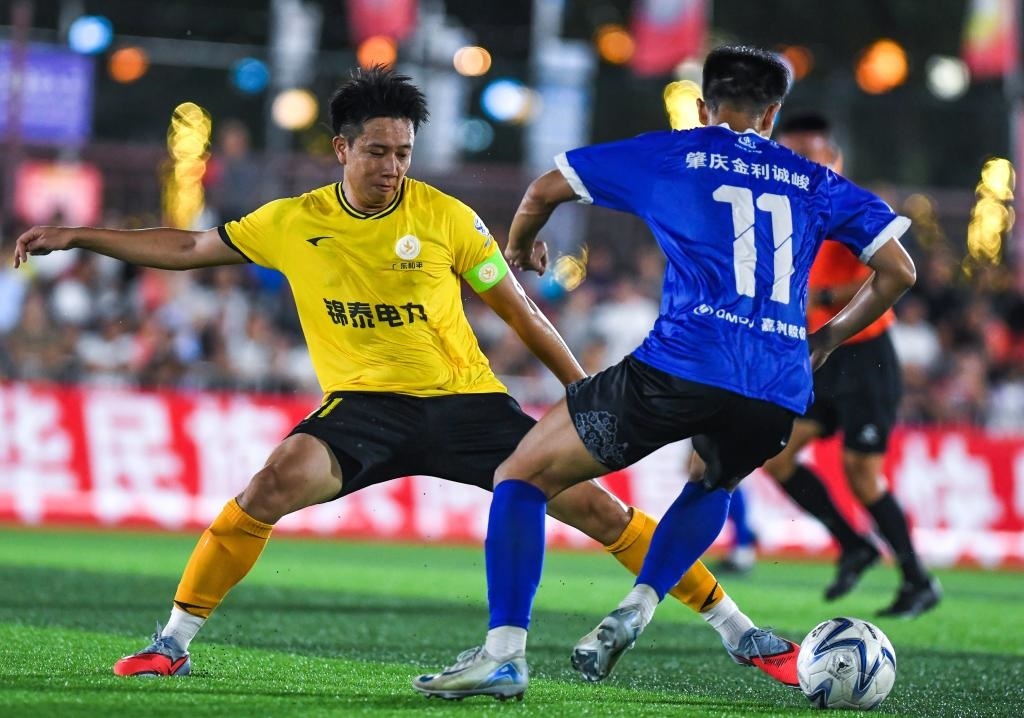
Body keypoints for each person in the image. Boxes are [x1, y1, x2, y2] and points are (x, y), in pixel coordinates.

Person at [13, 66, 792, 684]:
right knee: (269, 485)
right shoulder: (292, 221)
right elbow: (188, 247)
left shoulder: (447, 218)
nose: (393, 167)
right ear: (341, 149)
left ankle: (737, 629)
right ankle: (172, 642)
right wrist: (79, 235)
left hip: (467, 405)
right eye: (379, 152)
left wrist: (580, 389)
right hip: (363, 410)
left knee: (598, 510)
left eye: (404, 153)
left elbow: (522, 311)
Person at [415, 45, 917, 701]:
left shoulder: (671, 154)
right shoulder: (815, 180)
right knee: (713, 480)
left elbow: (544, 189)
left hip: (681, 364)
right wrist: (824, 340)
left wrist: (518, 245)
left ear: (704, 107)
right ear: (772, 115)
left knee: (521, 474)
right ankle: (641, 602)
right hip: (776, 384)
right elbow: (898, 271)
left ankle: (504, 655)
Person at [731, 110, 938, 614]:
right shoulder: (782, 208)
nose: (797, 162)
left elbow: (890, 272)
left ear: (832, 156)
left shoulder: (847, 204)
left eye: (808, 153)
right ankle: (853, 545)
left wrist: (821, 297)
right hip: (820, 356)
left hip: (867, 357)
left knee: (861, 474)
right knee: (778, 458)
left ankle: (917, 579)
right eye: (790, 152)